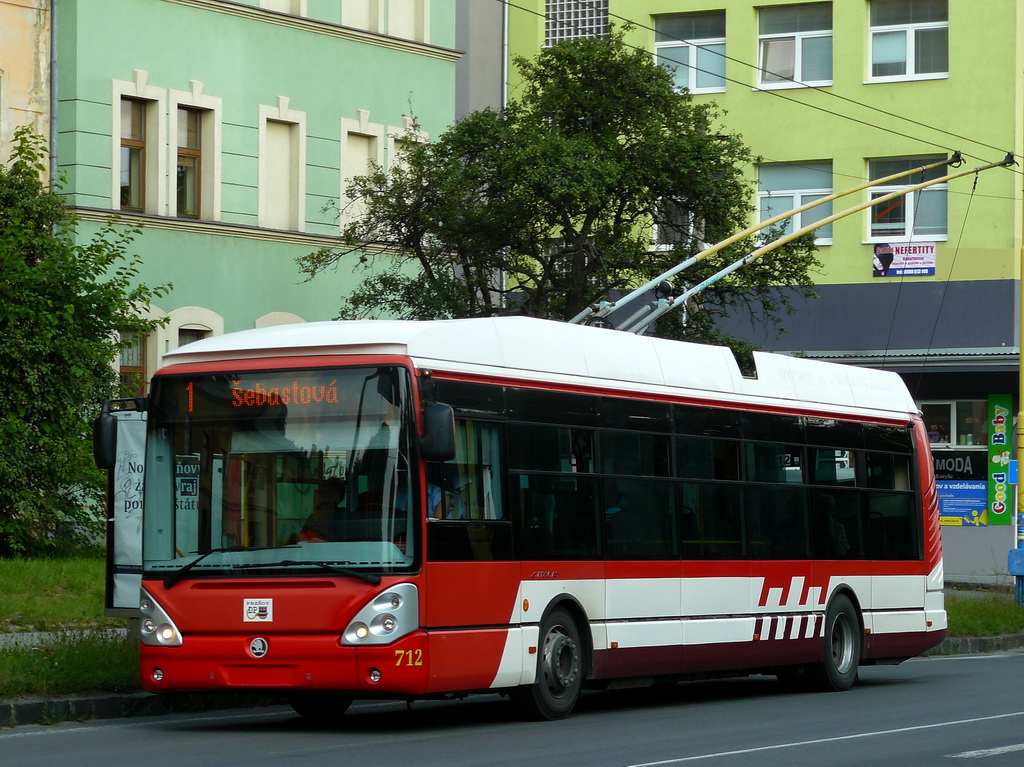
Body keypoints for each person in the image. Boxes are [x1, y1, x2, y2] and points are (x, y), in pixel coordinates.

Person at [297, 478, 347, 542]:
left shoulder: (345, 516)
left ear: (340, 497)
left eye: (331, 493)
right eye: (325, 492)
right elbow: (302, 539)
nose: (328, 497)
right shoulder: (313, 518)